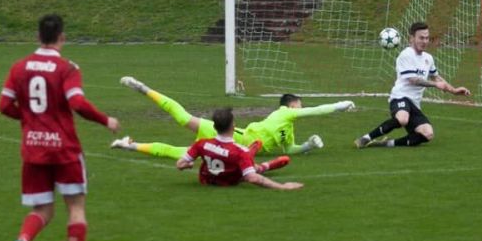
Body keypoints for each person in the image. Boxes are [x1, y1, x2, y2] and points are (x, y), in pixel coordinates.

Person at [0, 14, 121, 241]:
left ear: (37, 37)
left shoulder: (19, 68)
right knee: (75, 207)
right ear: (62, 37)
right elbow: (76, 102)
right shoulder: (67, 68)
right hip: (64, 148)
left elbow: (4, 106)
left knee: (42, 209)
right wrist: (106, 120)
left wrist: (30, 120)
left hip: (33, 149)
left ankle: (23, 240)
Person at [111, 78, 355, 157]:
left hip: (235, 143)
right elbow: (315, 111)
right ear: (292, 105)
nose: (301, 108)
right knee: (183, 127)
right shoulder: (285, 113)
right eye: (299, 105)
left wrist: (307, 146)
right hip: (234, 138)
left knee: (181, 149)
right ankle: (143, 88)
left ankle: (129, 145)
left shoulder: (287, 128)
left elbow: (288, 149)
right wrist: (340, 105)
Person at [354, 22, 470, 148]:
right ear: (412, 38)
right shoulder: (406, 55)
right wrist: (435, 85)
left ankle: (386, 143)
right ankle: (366, 138)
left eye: (427, 38)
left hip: (414, 104)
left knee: (427, 134)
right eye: (421, 38)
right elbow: (413, 80)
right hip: (400, 97)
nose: (425, 41)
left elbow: (436, 77)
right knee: (403, 118)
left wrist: (454, 90)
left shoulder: (428, 58)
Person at [177, 107, 303, 190]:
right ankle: (265, 166)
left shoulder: (202, 144)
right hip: (231, 180)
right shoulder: (240, 151)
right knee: (249, 165)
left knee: (243, 159)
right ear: (233, 126)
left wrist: (187, 165)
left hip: (206, 180)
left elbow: (180, 164)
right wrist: (282, 186)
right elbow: (252, 178)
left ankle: (253, 155)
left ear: (214, 127)